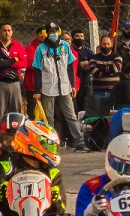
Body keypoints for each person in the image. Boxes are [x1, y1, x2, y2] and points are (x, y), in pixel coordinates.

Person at [0, 119, 67, 216]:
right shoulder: (6, 167)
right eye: (48, 146)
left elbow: (61, 211)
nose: (52, 150)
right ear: (32, 143)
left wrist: (56, 201)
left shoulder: (52, 173)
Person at [31, 22, 89, 152]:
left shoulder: (65, 46)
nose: (53, 34)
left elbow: (70, 66)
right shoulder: (40, 49)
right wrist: (37, 90)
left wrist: (72, 85)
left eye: (55, 31)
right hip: (48, 87)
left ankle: (79, 141)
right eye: (50, 31)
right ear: (46, 33)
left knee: (71, 115)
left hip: (64, 86)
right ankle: (50, 142)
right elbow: (37, 70)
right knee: (49, 117)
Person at [0, 23, 27, 121]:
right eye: (4, 30)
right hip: (0, 83)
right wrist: (14, 59)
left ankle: (15, 131)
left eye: (9, 30)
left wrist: (7, 62)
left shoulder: (18, 45)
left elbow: (24, 62)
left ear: (12, 32)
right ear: (0, 32)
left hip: (15, 83)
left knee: (16, 113)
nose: (7, 33)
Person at [89, 34, 123, 98]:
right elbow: (92, 70)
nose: (106, 46)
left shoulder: (117, 57)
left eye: (108, 44)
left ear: (111, 44)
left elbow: (116, 68)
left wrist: (100, 68)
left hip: (114, 92)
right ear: (100, 44)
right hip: (98, 92)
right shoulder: (93, 58)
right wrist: (110, 73)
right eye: (104, 44)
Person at [24, 26, 46, 120]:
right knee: (33, 113)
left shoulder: (50, 48)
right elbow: (30, 64)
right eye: (40, 33)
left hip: (47, 86)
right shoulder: (30, 48)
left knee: (46, 113)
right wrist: (46, 64)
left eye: (45, 33)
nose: (43, 35)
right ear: (36, 35)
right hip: (32, 86)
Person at [71, 29, 94, 114]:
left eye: (81, 36)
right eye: (77, 36)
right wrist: (81, 64)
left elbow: (93, 64)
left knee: (86, 108)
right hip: (73, 84)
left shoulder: (88, 51)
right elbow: (72, 66)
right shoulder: (70, 51)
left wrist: (81, 65)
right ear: (73, 38)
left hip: (86, 83)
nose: (79, 38)